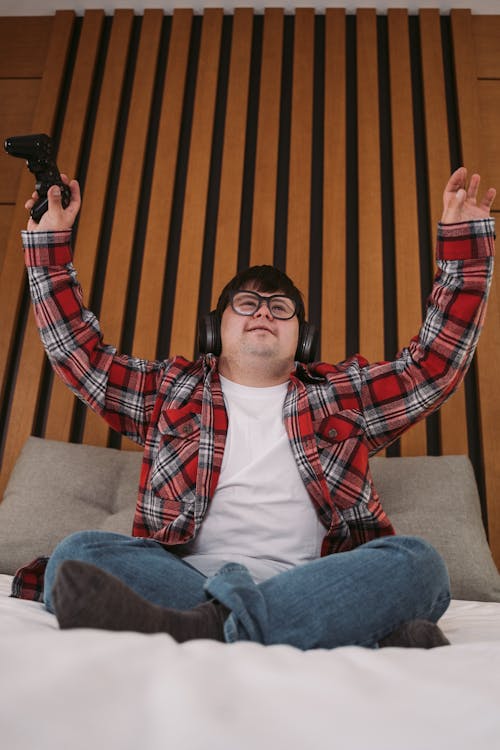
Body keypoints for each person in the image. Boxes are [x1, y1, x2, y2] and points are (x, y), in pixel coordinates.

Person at [17, 167, 495, 649]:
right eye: (247, 303)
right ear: (214, 329)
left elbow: (433, 366)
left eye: (280, 307)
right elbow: (81, 355)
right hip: (189, 582)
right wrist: (50, 247)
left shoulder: (343, 395)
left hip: (317, 581)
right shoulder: (169, 392)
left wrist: (465, 244)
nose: (264, 312)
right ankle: (327, 628)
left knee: (420, 562)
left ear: (301, 338)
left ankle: (206, 627)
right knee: (78, 553)